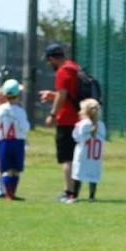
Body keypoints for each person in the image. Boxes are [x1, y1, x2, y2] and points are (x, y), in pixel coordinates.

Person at [39, 43, 82, 201]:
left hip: (66, 120)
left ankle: (68, 192)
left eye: (49, 60)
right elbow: (70, 95)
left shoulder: (62, 71)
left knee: (67, 158)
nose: (49, 63)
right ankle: (74, 191)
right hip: (80, 119)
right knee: (76, 157)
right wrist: (53, 95)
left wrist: (52, 115)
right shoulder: (75, 67)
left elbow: (63, 94)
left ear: (52, 58)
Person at [0, 79, 30, 201]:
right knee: (15, 169)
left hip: (4, 141)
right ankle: (12, 193)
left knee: (6, 169)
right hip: (18, 141)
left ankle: (7, 193)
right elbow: (25, 127)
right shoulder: (20, 111)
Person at [71, 97, 106, 201]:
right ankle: (92, 196)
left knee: (78, 174)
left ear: (85, 111)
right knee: (93, 176)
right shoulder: (101, 125)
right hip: (95, 158)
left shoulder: (83, 124)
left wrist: (76, 127)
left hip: (83, 155)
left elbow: (76, 137)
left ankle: (74, 196)